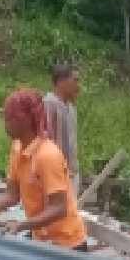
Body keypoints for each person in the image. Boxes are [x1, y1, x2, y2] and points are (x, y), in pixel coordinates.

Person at [0, 89, 88, 251]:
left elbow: (59, 208)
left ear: (25, 120)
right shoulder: (17, 148)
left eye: (10, 118)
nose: (5, 124)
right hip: (41, 239)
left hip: (67, 244)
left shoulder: (47, 156)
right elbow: (11, 195)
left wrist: (22, 224)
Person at [43, 64, 81, 192]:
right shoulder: (49, 104)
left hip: (71, 173)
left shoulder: (71, 108)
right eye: (75, 80)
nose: (78, 86)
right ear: (61, 81)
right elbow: (45, 140)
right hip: (54, 174)